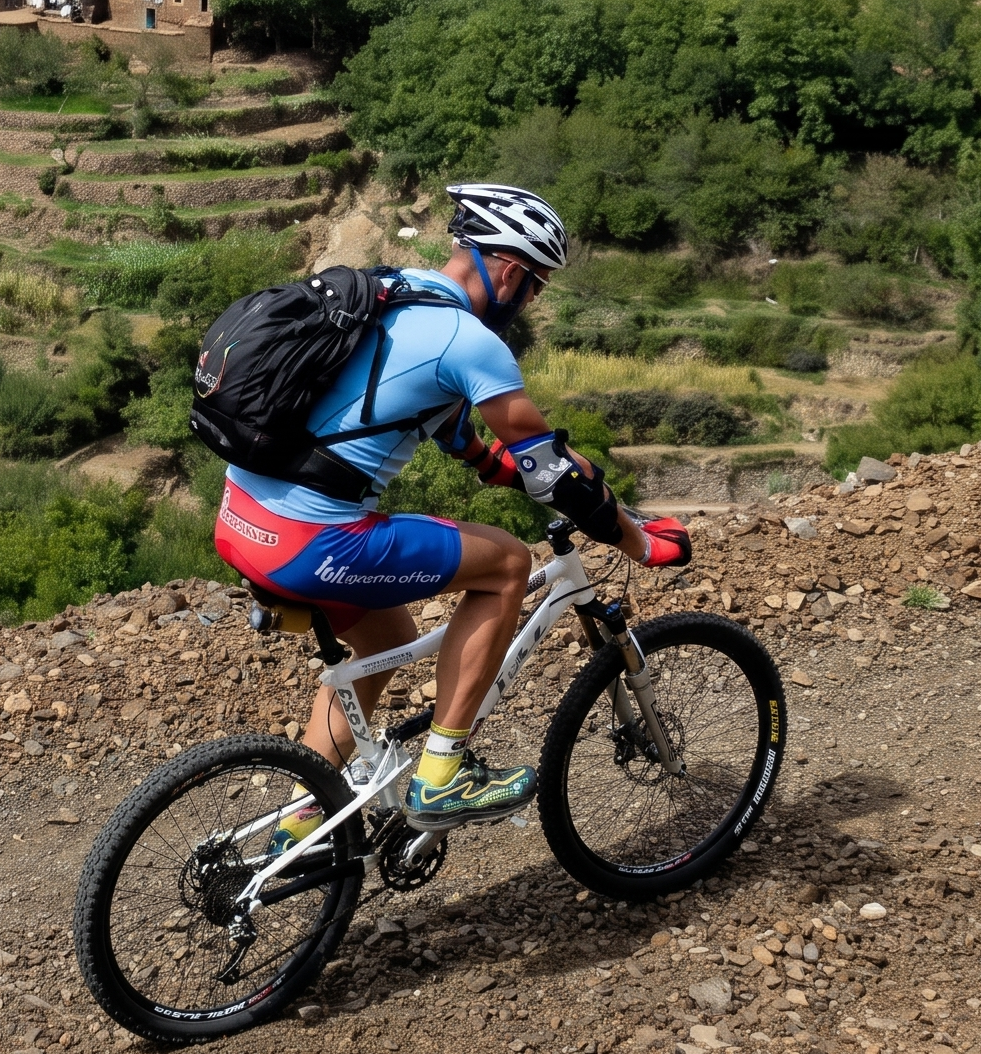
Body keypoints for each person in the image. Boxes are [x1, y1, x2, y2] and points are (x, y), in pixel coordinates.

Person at [212, 184, 692, 832]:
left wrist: (494, 466)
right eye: (536, 285)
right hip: (311, 541)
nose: (532, 299)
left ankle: (299, 826)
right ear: (510, 272)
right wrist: (639, 541)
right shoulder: (469, 340)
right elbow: (554, 472)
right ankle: (441, 776)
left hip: (239, 518)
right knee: (508, 565)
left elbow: (441, 420)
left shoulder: (392, 288)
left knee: (385, 640)